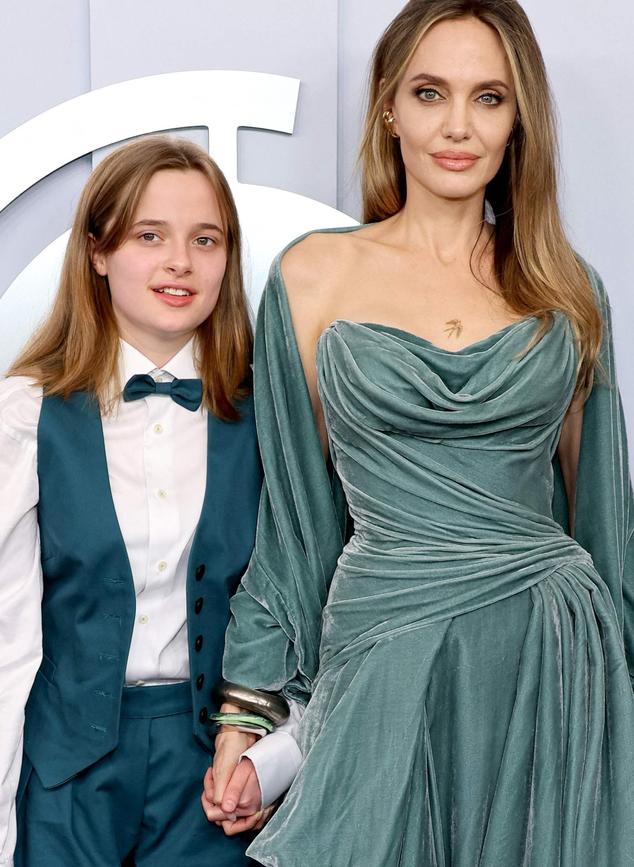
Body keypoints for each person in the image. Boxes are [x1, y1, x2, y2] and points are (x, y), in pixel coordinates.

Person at [203, 1, 634, 864]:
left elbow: (604, 521)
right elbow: (295, 529)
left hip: (549, 654)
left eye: (489, 98)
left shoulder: (565, 288)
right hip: (387, 641)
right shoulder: (313, 276)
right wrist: (246, 713)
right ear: (388, 108)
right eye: (431, 92)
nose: (458, 127)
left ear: (520, 122)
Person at [0, 135, 272, 866]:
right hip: (65, 768)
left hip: (212, 771)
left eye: (205, 239)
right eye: (151, 235)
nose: (180, 261)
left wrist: (274, 758)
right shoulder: (24, 416)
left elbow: (294, 615)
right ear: (98, 251)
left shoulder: (267, 422)